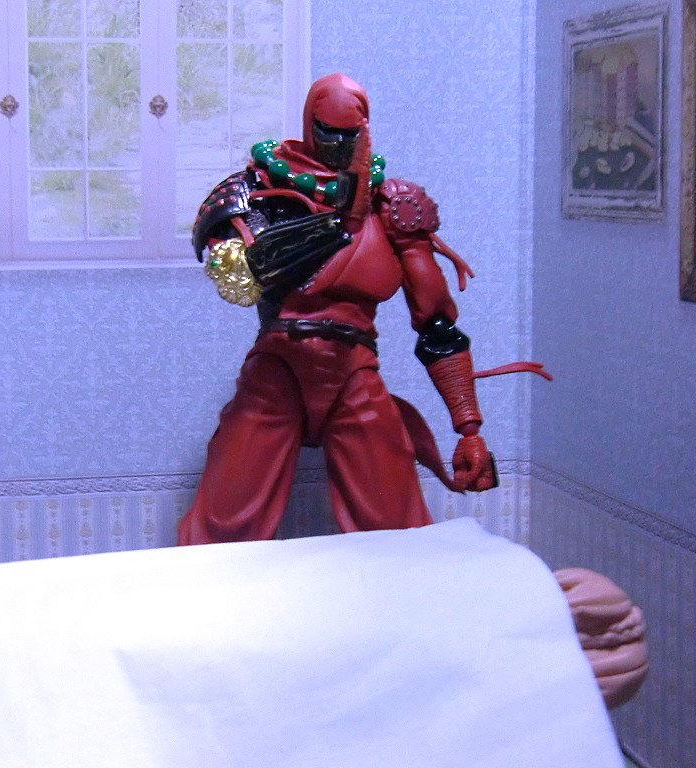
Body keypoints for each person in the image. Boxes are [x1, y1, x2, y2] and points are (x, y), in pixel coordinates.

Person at [177, 73, 547, 546]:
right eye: (328, 131)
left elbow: (436, 323)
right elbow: (239, 276)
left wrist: (469, 428)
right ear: (310, 124)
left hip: (354, 371)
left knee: (398, 528)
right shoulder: (262, 191)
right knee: (222, 525)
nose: (338, 144)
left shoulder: (395, 207)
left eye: (350, 133)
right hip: (278, 367)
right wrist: (260, 249)